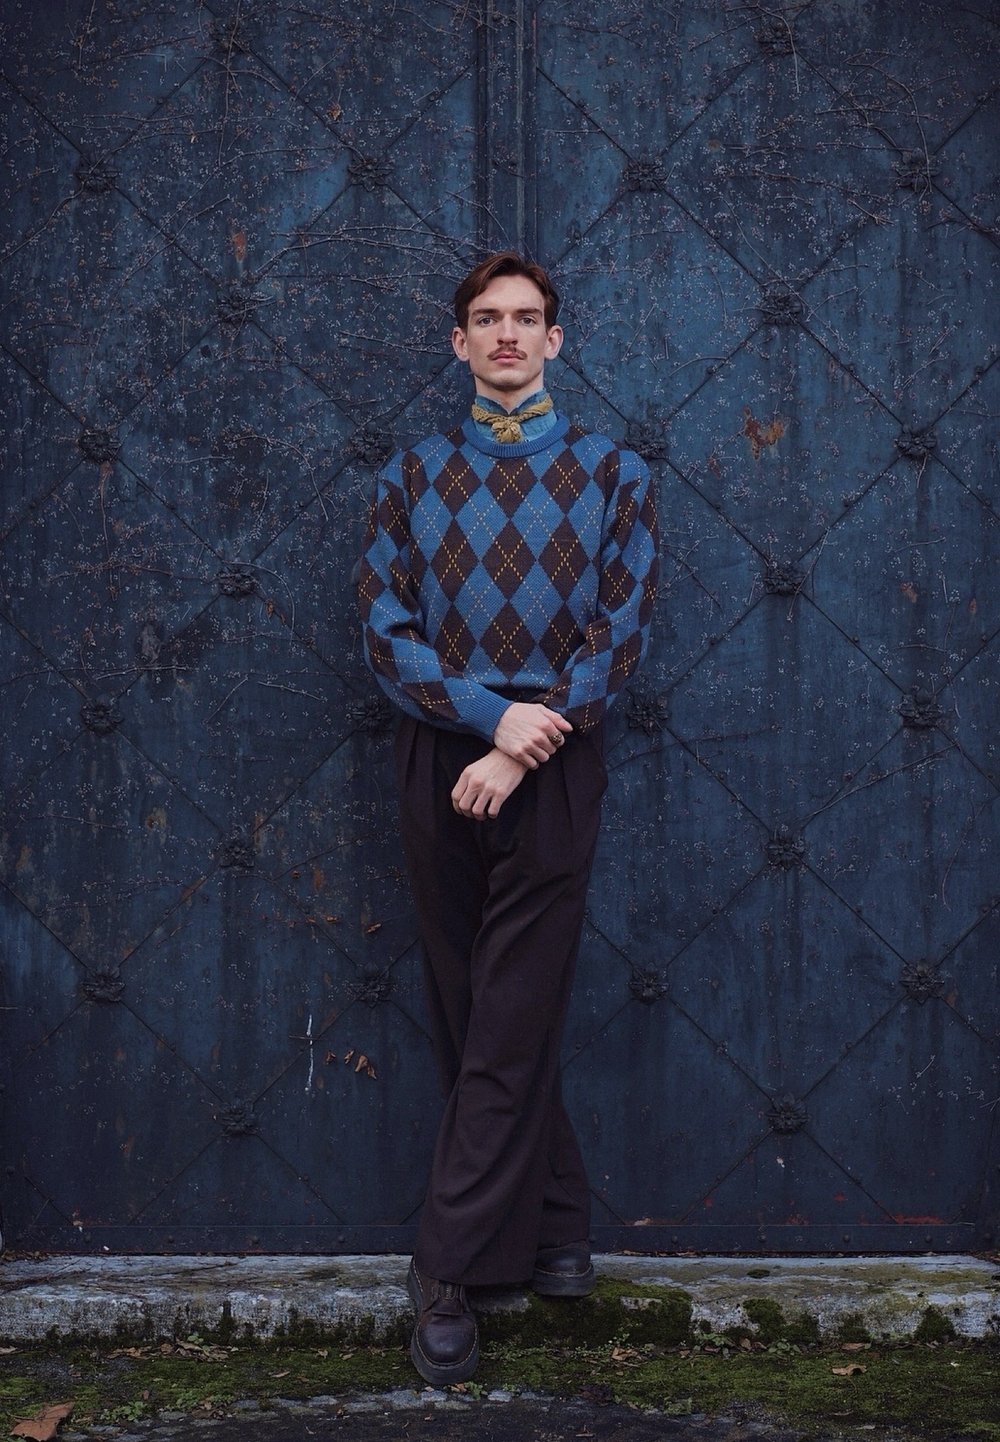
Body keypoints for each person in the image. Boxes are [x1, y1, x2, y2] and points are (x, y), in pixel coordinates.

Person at [356, 252, 659, 1385]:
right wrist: (492, 718)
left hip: (558, 760)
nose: (506, 336)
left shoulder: (612, 472)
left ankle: (445, 1270)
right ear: (457, 342)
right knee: (472, 1004)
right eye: (485, 319)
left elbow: (619, 633)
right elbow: (386, 626)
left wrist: (539, 732)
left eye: (527, 319)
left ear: (557, 341)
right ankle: (554, 1223)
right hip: (441, 752)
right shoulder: (412, 474)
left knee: (511, 1010)